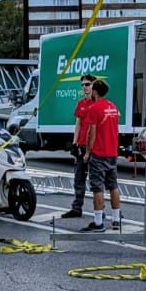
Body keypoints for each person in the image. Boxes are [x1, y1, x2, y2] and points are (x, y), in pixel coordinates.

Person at [78, 77, 121, 233]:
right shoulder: (113, 107)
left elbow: (91, 133)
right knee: (113, 186)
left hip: (99, 153)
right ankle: (116, 220)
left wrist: (88, 152)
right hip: (112, 152)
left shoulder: (95, 108)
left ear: (95, 91)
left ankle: (98, 222)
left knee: (98, 188)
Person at [60, 74, 95, 220]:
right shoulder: (81, 103)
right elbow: (78, 124)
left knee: (96, 181)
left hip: (93, 147)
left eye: (87, 84)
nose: (84, 87)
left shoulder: (97, 103)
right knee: (78, 179)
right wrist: (74, 143)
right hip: (81, 145)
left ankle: (100, 211)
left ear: (94, 86)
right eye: (82, 85)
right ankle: (76, 208)